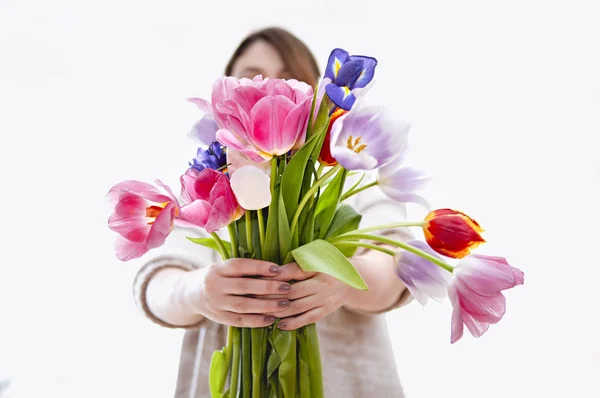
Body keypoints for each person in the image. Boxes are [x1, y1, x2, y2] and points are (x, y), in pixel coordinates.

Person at [133, 26, 414, 397]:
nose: (267, 87)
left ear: (317, 96)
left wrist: (346, 281)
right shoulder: (203, 178)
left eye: (288, 78)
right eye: (250, 77)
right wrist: (198, 291)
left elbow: (399, 260)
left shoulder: (347, 172)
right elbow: (158, 281)